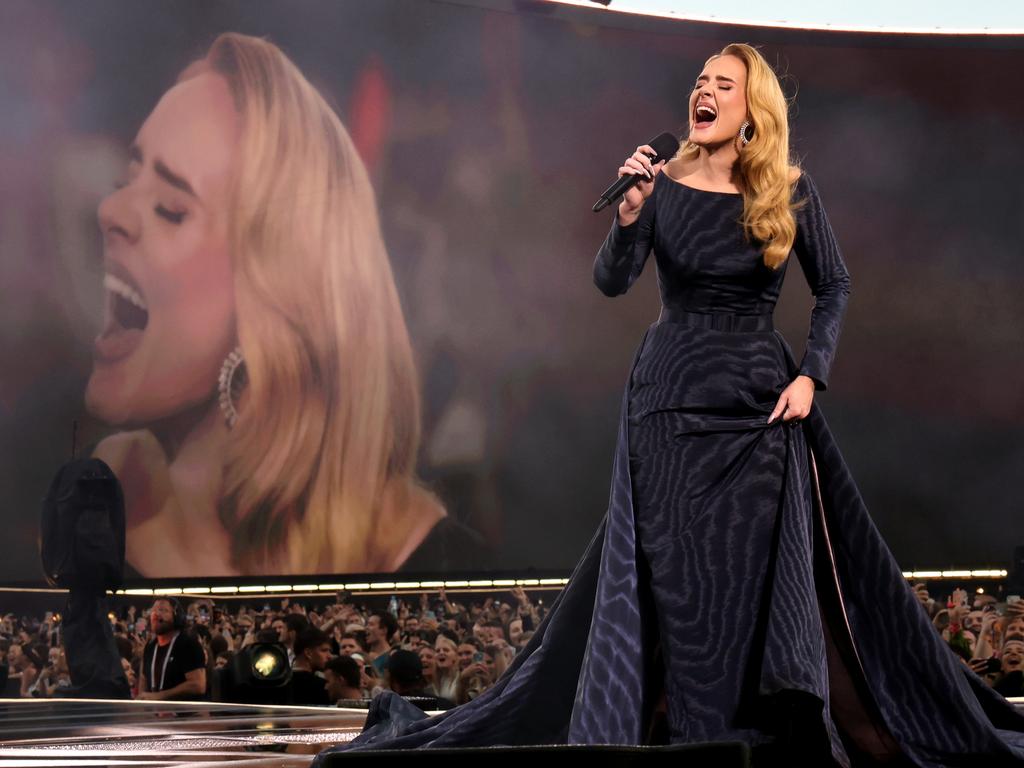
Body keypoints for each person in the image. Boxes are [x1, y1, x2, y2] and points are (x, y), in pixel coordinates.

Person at [314, 43, 1024, 766]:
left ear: (753, 109)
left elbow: (835, 285)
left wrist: (812, 374)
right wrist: (627, 216)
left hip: (758, 407)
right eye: (700, 81)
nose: (705, 91)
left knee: (744, 580)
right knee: (676, 577)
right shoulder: (659, 182)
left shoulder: (786, 189)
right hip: (668, 400)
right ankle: (693, 740)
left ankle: (755, 734)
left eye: (724, 84)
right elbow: (612, 281)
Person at [87, 31, 451, 577]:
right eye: (128, 176)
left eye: (169, 207)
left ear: (274, 290)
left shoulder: (421, 560)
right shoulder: (98, 505)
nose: (110, 208)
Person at [138, 598, 206, 701]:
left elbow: (198, 685)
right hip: (155, 714)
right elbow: (144, 681)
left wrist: (161, 696)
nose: (156, 614)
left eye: (162, 610)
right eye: (153, 610)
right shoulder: (150, 646)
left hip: (185, 714)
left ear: (176, 615)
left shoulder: (187, 643)